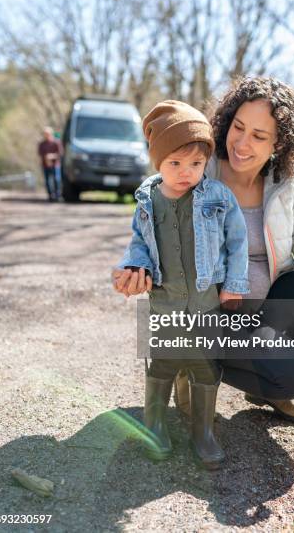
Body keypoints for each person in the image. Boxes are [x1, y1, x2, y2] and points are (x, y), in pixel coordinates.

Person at [116, 77, 294, 424]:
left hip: (266, 307)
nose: (242, 143)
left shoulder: (289, 180)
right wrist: (137, 266)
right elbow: (154, 228)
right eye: (238, 127)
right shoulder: (200, 168)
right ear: (227, 122)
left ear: (279, 144)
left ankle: (268, 377)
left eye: (259, 136)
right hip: (209, 308)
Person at [113, 100, 250, 468]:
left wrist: (235, 283)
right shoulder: (147, 199)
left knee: (205, 365)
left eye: (195, 164)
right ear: (158, 162)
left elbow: (237, 242)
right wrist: (133, 267)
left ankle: (202, 431)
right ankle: (155, 425)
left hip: (206, 302)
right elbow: (139, 243)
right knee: (163, 363)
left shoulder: (218, 198)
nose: (186, 172)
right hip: (165, 302)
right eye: (175, 163)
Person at [37, 127, 62, 201]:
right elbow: (40, 153)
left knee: (57, 179)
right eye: (45, 134)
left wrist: (52, 156)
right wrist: (46, 159)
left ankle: (58, 195)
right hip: (45, 165)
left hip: (55, 165)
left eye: (48, 134)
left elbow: (60, 153)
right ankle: (50, 196)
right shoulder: (42, 144)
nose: (46, 135)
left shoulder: (56, 142)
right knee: (47, 181)